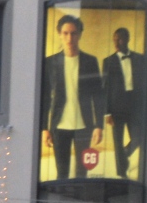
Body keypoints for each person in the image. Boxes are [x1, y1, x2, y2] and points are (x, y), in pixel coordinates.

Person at [41, 14, 105, 182]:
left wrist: (99, 125)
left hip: (83, 124)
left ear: (80, 35)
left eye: (74, 33)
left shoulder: (90, 62)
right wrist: (44, 128)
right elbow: (46, 97)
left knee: (82, 172)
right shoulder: (50, 62)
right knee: (61, 171)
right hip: (60, 124)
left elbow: (97, 95)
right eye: (66, 33)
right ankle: (63, 202)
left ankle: (79, 202)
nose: (70, 37)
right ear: (60, 34)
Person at [102, 26, 146, 177]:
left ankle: (125, 155)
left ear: (127, 39)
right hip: (116, 107)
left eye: (119, 39)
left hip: (134, 105)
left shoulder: (139, 59)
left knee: (139, 137)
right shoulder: (108, 62)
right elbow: (105, 89)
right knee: (117, 141)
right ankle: (122, 173)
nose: (116, 42)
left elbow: (144, 84)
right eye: (114, 39)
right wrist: (106, 112)